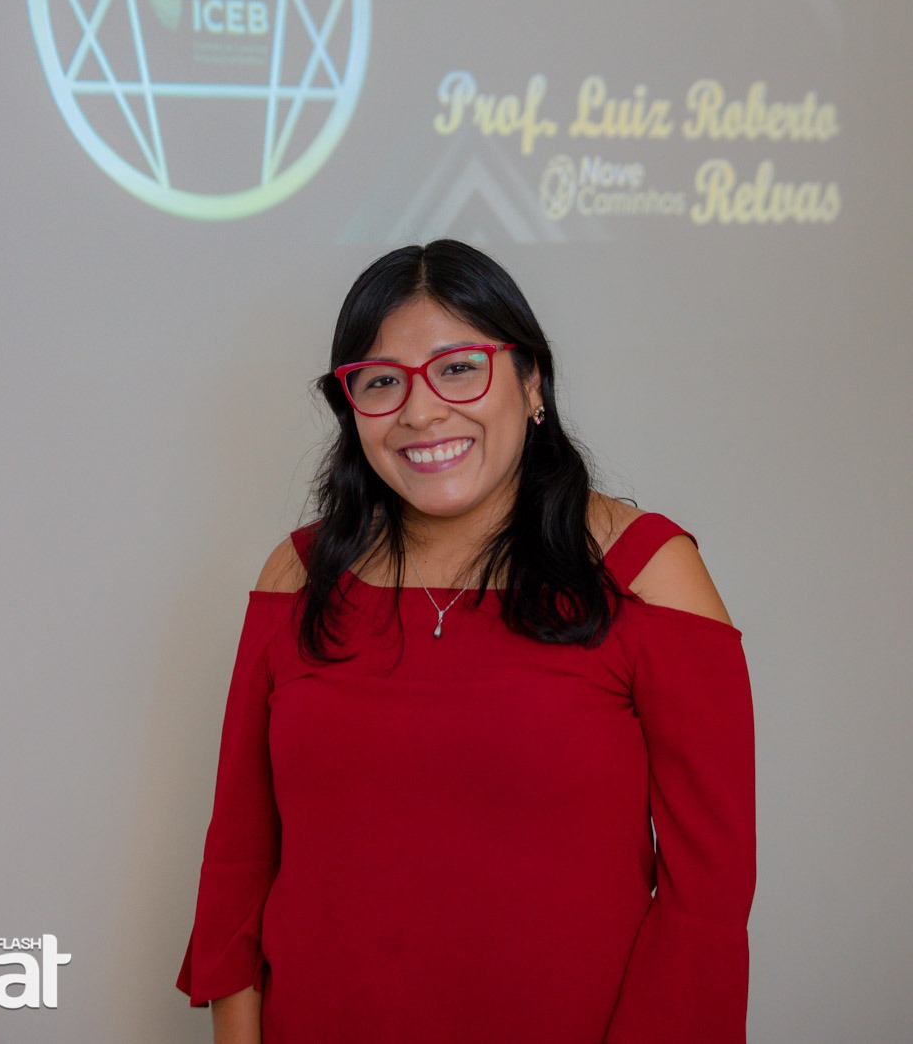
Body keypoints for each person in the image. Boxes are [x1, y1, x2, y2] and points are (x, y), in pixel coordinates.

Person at [177, 240, 755, 1043]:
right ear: (352, 409)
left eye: (458, 368)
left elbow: (706, 902)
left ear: (532, 382)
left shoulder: (647, 572)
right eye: (382, 382)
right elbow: (238, 864)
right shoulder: (298, 575)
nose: (420, 412)